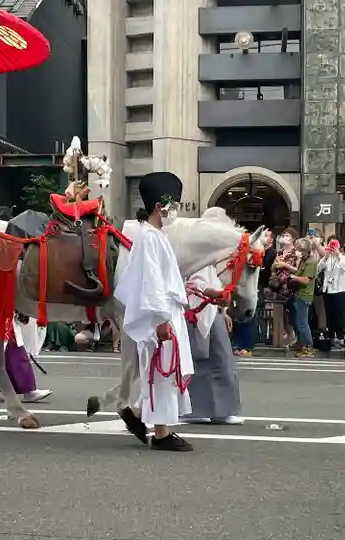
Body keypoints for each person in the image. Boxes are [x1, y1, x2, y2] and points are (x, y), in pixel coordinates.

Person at [114, 171, 194, 452]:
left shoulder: (154, 236)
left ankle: (138, 415)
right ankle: (161, 433)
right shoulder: (149, 237)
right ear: (161, 207)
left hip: (165, 312)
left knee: (165, 372)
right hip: (160, 314)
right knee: (163, 372)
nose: (177, 211)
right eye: (175, 205)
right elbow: (152, 281)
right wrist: (161, 320)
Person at [182, 260, 243, 425]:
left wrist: (224, 312)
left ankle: (219, 411)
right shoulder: (200, 256)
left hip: (210, 308)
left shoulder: (213, 260)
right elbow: (196, 282)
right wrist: (214, 293)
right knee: (203, 358)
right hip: (197, 308)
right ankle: (198, 410)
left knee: (219, 359)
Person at [317, 239, 345, 346]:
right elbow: (318, 269)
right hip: (328, 290)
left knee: (340, 315)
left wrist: (339, 255)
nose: (331, 251)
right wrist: (325, 256)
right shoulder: (327, 259)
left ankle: (341, 336)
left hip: (340, 290)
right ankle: (331, 336)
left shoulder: (344, 258)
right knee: (329, 315)